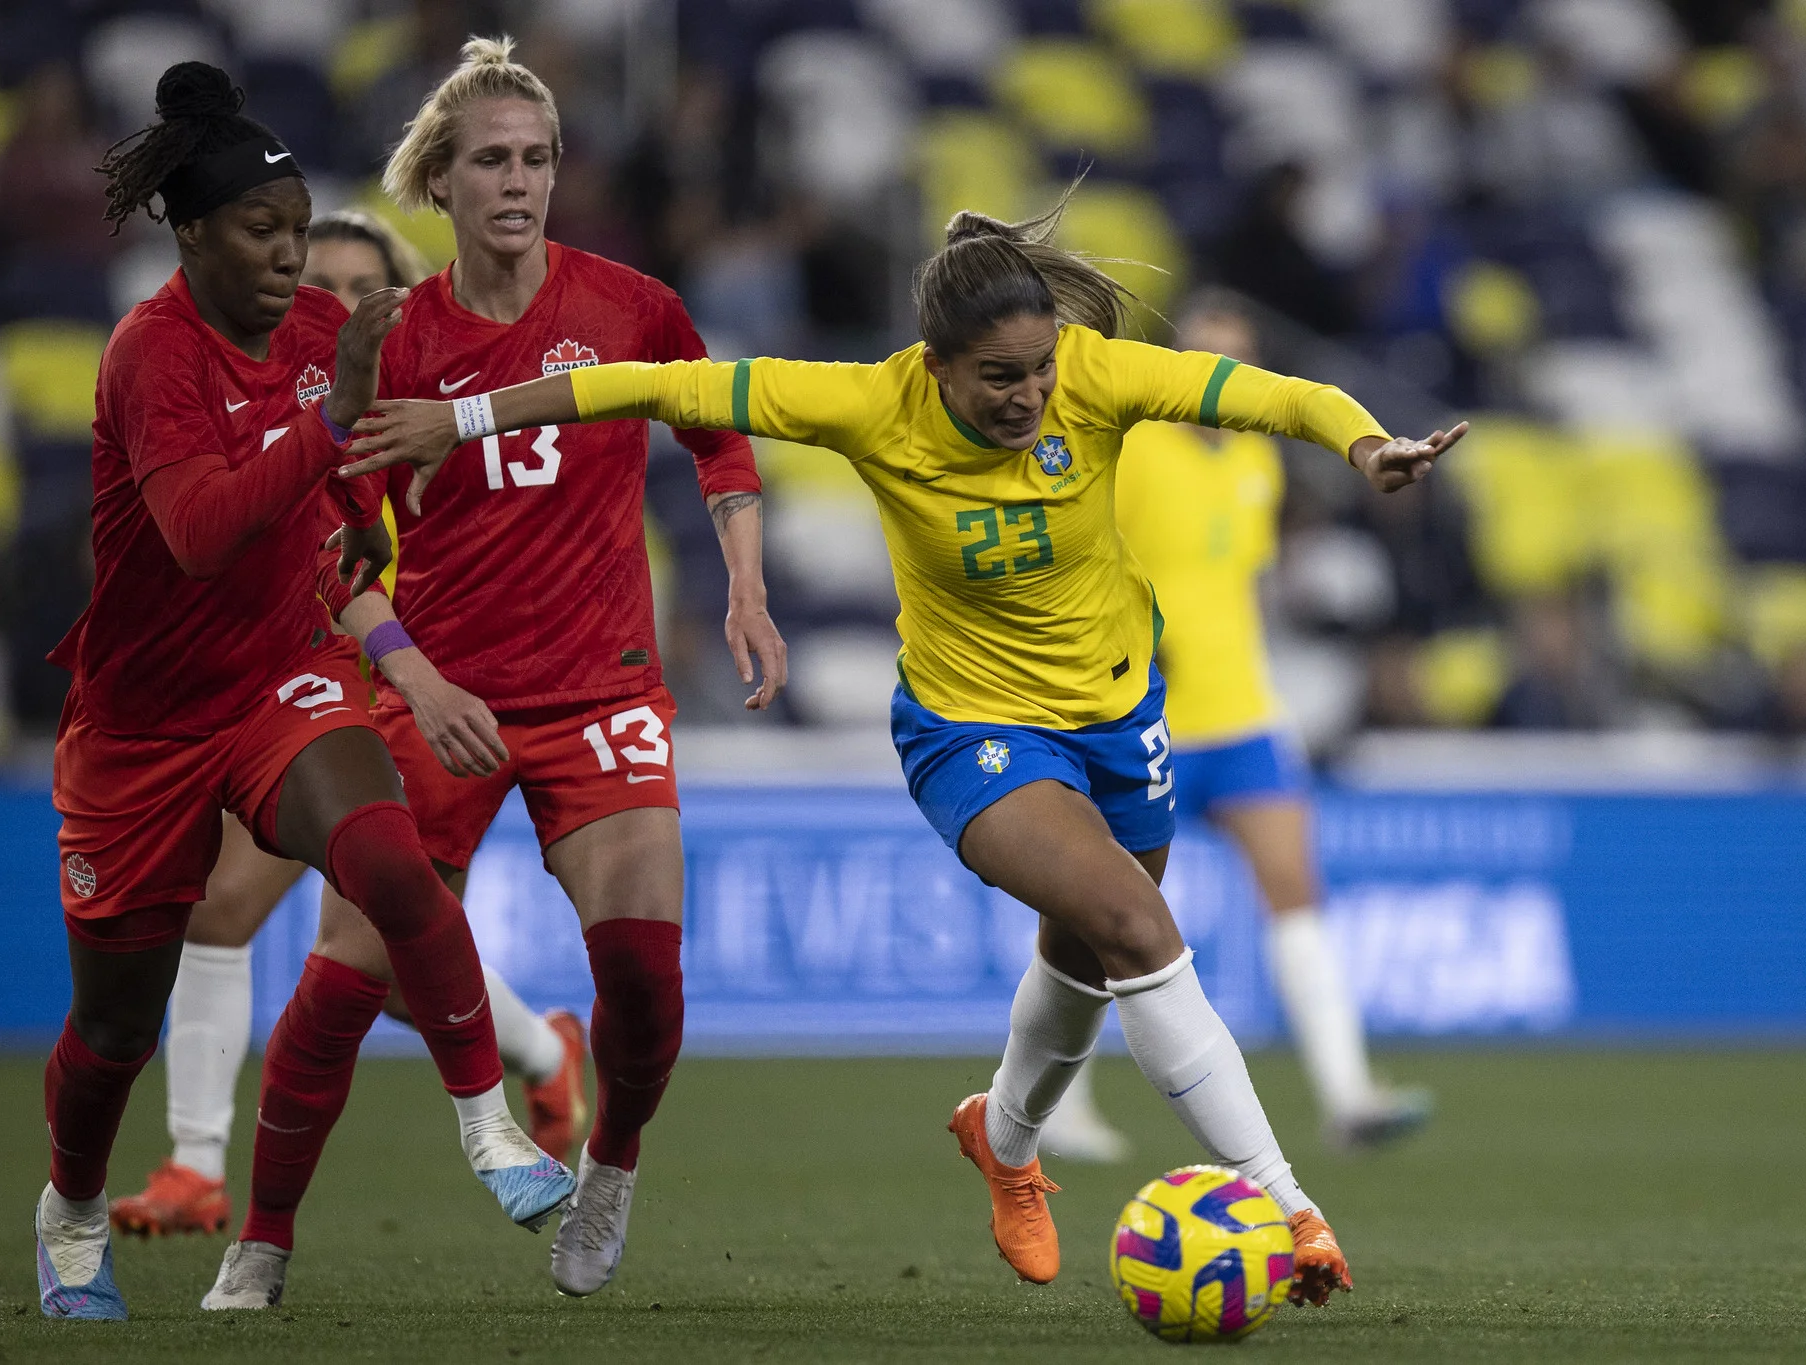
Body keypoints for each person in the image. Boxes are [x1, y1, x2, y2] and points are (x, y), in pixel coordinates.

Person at [341, 186, 1467, 1306]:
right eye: (1000, 378)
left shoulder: (1094, 375)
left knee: (1082, 956)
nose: (1029, 396)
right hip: (969, 728)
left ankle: (1005, 1141)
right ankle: (1284, 1201)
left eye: (1039, 371)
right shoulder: (867, 404)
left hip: (1120, 715)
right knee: (1134, 924)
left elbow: (1278, 394)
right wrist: (468, 416)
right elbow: (649, 385)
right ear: (935, 364)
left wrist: (1367, 446)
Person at [227, 38, 786, 1304]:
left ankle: (612, 1168)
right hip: (438, 695)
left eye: (536, 158)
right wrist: (415, 682)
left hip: (603, 688)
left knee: (646, 976)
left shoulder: (629, 305)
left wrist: (744, 583)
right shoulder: (392, 346)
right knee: (341, 986)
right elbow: (333, 552)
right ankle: (261, 1241)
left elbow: (720, 438)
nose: (519, 181)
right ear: (441, 179)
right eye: (491, 160)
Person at [36, 63, 571, 1322]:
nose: (292, 264)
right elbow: (200, 533)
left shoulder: (330, 344)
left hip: (283, 680)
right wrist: (328, 426)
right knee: (116, 1026)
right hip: (143, 720)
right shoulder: (149, 354)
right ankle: (66, 1213)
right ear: (191, 233)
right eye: (262, 236)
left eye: (299, 232)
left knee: (390, 858)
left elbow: (358, 488)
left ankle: (491, 1125)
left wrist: (378, 527)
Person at [107, 209, 587, 1242]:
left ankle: (543, 1055)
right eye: (310, 281)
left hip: (403, 690)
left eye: (354, 287)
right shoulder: (271, 420)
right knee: (250, 919)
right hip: (302, 684)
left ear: (398, 307)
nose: (321, 304)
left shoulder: (432, 423)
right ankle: (545, 1051)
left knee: (344, 943)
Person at [1039, 294, 1431, 1165]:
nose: (1220, 380)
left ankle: (1347, 1094)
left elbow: (1241, 581)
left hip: (1243, 712)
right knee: (1103, 914)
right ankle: (1054, 1104)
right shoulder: (1130, 449)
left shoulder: (1256, 460)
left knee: (1296, 888)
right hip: (1140, 719)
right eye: (1205, 358)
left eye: (1237, 361)